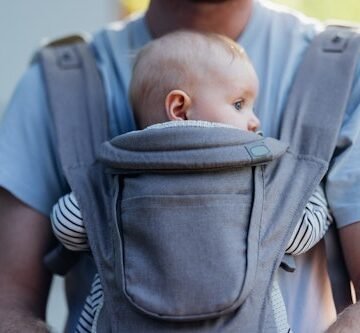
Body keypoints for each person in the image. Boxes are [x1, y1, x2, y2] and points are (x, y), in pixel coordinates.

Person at [0, 0, 359, 332]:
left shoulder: (345, 70)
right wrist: (312, 202)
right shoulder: (57, 82)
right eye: (239, 104)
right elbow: (7, 305)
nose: (255, 122)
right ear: (178, 107)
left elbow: (71, 225)